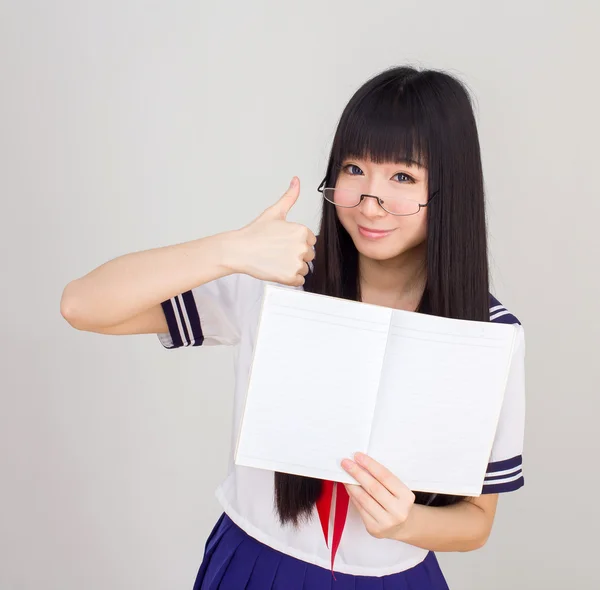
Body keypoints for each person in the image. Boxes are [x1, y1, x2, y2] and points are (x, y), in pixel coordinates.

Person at [61, 65, 526, 589]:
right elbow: (83, 305)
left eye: (402, 177)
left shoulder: (489, 332)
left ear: (449, 189)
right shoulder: (282, 282)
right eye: (353, 168)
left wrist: (407, 521)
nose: (368, 200)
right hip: (254, 565)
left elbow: (476, 522)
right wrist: (230, 250)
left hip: (392, 578)